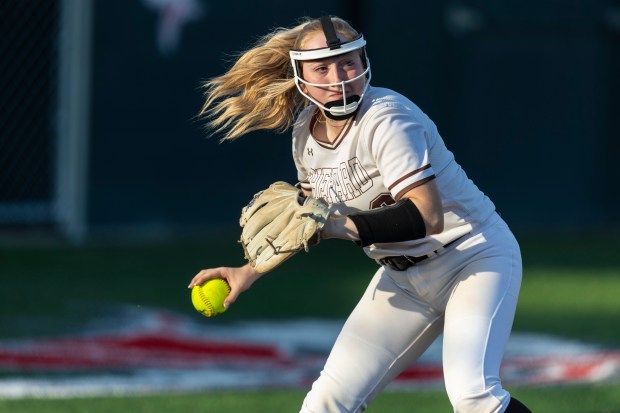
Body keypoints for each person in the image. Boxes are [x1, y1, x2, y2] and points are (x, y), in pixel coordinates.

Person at [189, 15, 532, 413]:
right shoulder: (304, 132)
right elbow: (300, 224)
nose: (339, 77)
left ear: (364, 62)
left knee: (475, 397)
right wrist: (247, 271)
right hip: (402, 278)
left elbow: (428, 216)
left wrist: (335, 226)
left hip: (471, 257)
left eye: (348, 62)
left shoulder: (386, 117)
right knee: (324, 404)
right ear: (300, 73)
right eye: (323, 67)